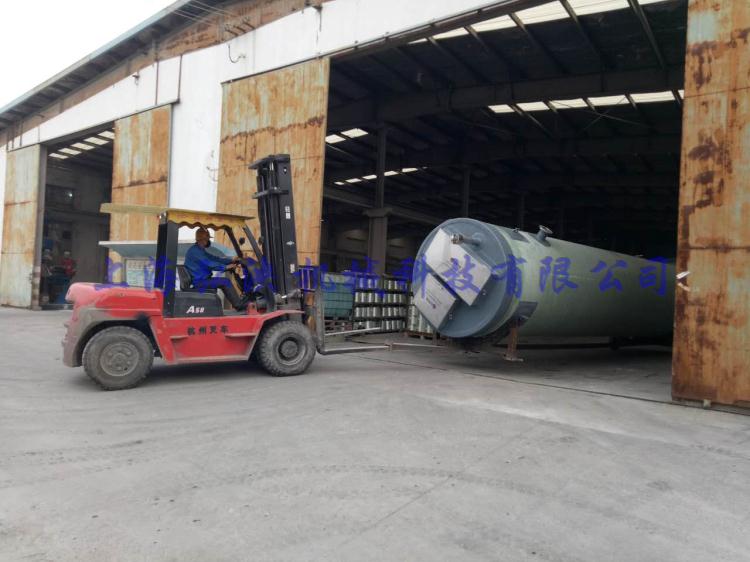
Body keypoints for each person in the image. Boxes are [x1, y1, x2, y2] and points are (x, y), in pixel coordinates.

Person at [184, 228, 249, 311]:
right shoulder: (195, 252)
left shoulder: (199, 250)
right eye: (207, 239)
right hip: (200, 282)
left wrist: (231, 260)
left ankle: (238, 304)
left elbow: (214, 259)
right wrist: (226, 267)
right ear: (203, 239)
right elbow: (210, 264)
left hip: (201, 280)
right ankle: (239, 305)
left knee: (223, 281)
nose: (208, 241)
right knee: (225, 282)